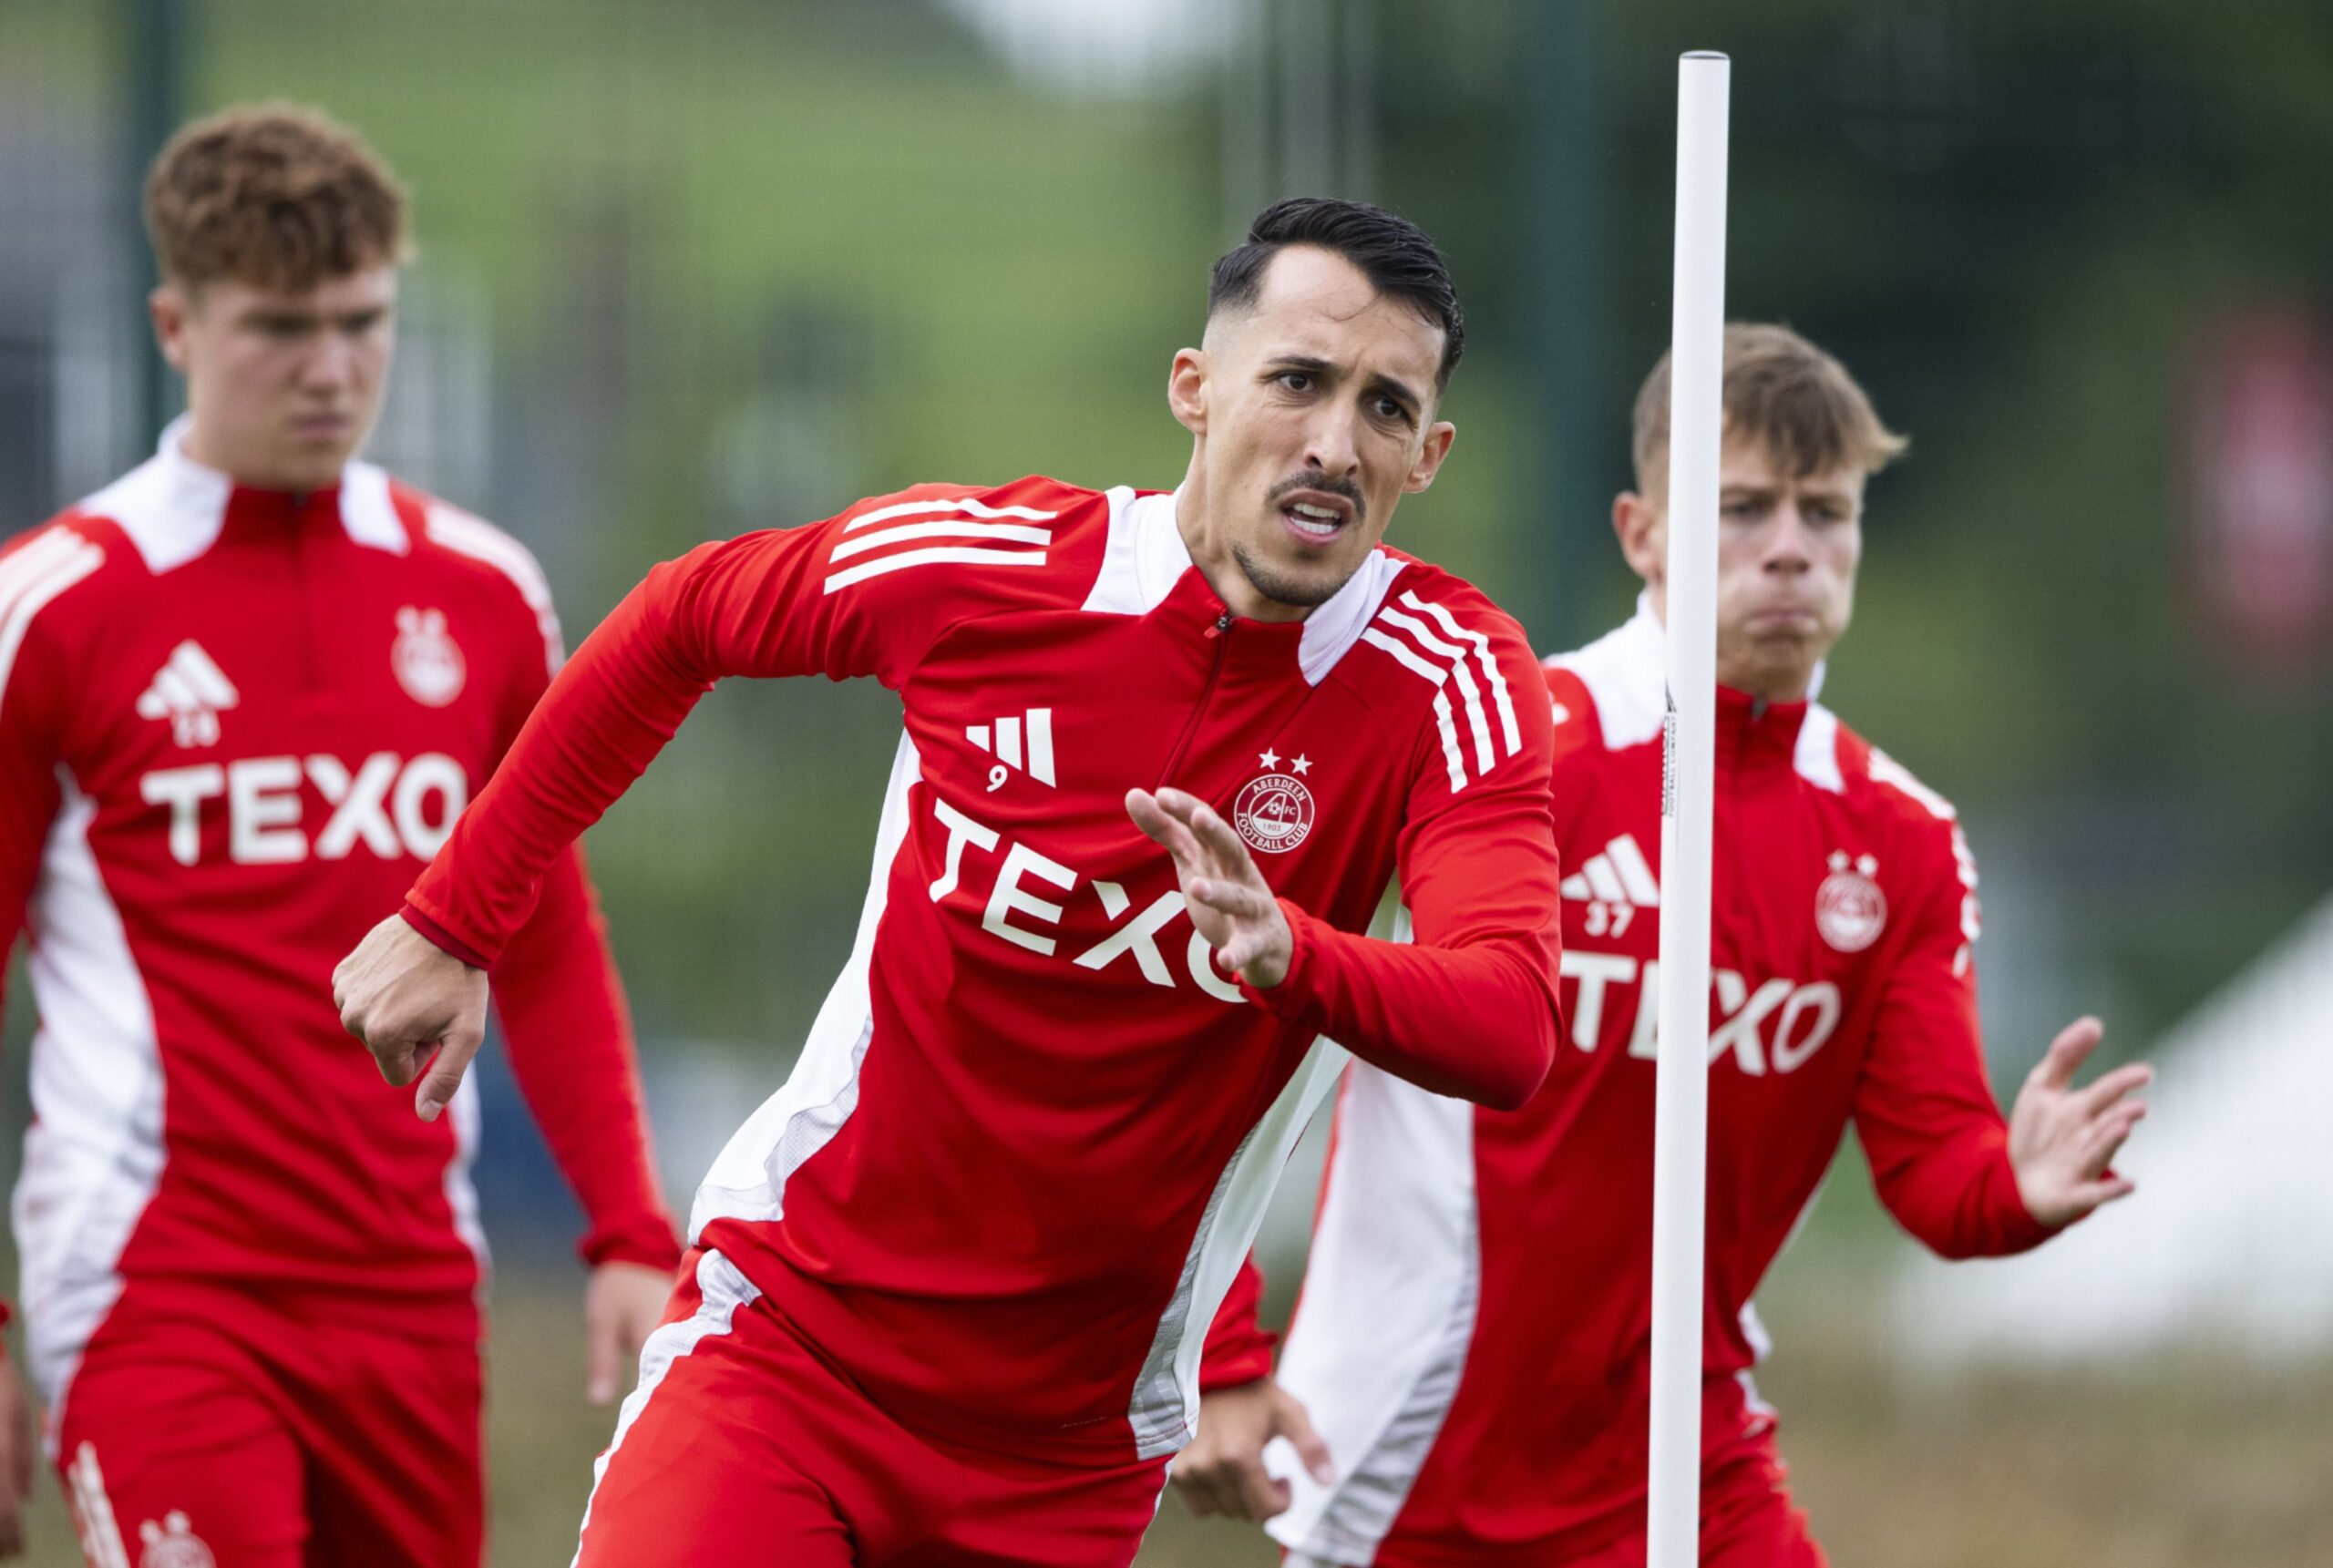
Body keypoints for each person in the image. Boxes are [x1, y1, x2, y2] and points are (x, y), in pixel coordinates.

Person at [331, 196, 1566, 1565]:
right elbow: (683, 615)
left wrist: (1297, 956)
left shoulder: (1454, 679)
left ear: (1430, 455)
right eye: (1299, 381)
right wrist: (455, 916)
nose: (1335, 441)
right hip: (797, 1351)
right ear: (1196, 390)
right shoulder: (992, 572)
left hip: (1069, 1451)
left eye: (1386, 408)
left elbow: (1507, 1022)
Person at [1180, 323, 2153, 1566]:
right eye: (1743, 509)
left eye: (1828, 511)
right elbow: (1227, 1016)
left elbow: (1932, 1168)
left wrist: (2012, 1187)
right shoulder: (1507, 742)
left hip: (1688, 1465)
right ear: (1643, 534)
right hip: (1407, 1465)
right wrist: (1217, 1352)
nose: (1793, 546)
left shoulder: (1901, 840)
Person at [0, 106, 681, 1567]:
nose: (332, 368)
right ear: (174, 325)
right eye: (281, 328)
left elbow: (545, 941)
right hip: (150, 1284)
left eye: (364, 320)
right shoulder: (55, 606)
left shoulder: (486, 592)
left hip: (410, 1289)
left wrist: (628, 1226)